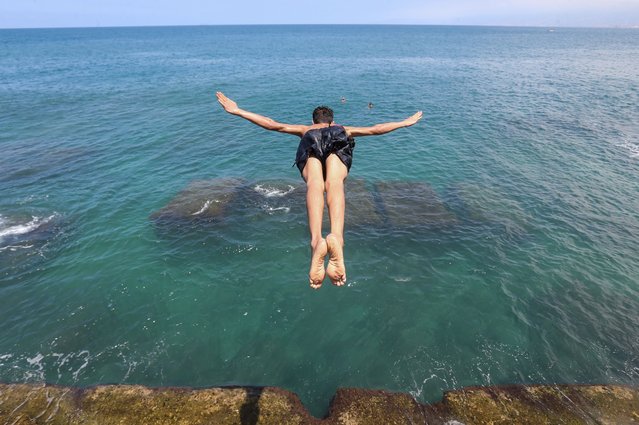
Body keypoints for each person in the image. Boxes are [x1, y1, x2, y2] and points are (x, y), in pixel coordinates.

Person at [216, 92, 422, 289]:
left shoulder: (306, 129)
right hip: (338, 139)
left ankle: (317, 241)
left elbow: (272, 124)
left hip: (311, 141)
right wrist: (405, 122)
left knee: (315, 184)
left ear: (314, 121)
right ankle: (337, 238)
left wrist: (238, 110)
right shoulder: (342, 128)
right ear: (332, 121)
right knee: (334, 183)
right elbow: (376, 128)